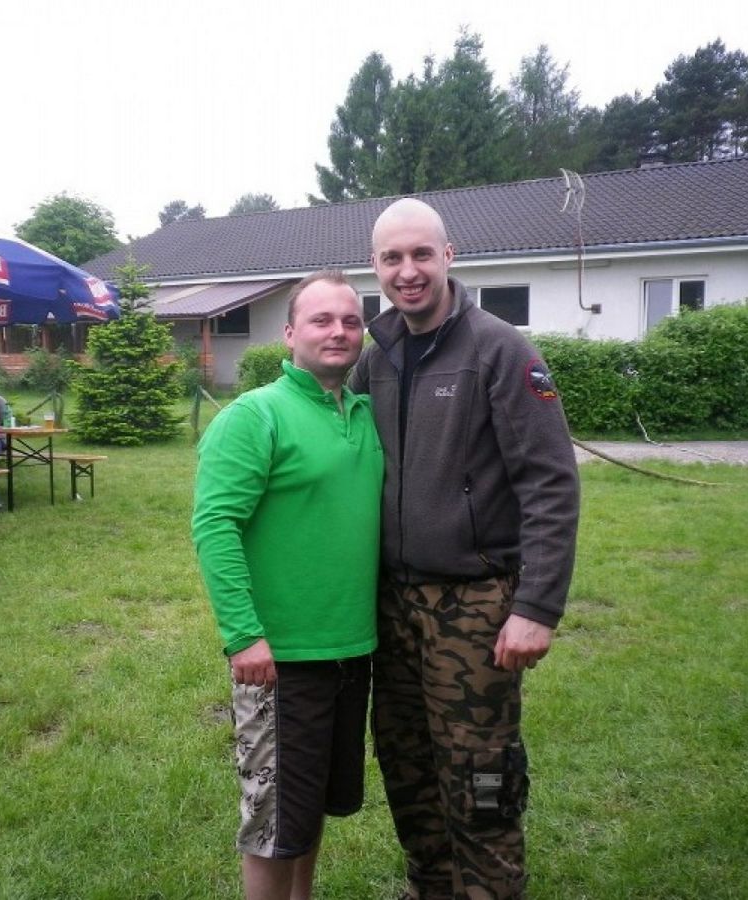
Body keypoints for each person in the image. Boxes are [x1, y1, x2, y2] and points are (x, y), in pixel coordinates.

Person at [349, 198, 581, 900]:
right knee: (408, 766)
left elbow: (550, 482)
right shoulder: (374, 359)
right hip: (390, 606)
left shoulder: (499, 350)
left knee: (480, 774)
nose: (408, 271)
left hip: (474, 605)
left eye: (422, 254)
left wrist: (536, 607)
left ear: (449, 256)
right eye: (392, 258)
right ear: (375, 266)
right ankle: (431, 886)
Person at [192, 270, 384, 900]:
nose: (339, 332)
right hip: (281, 659)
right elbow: (214, 526)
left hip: (351, 650)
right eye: (321, 320)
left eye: (351, 321)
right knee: (272, 826)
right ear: (290, 333)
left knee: (307, 812)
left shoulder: (362, 412)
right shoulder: (255, 416)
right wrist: (243, 636)